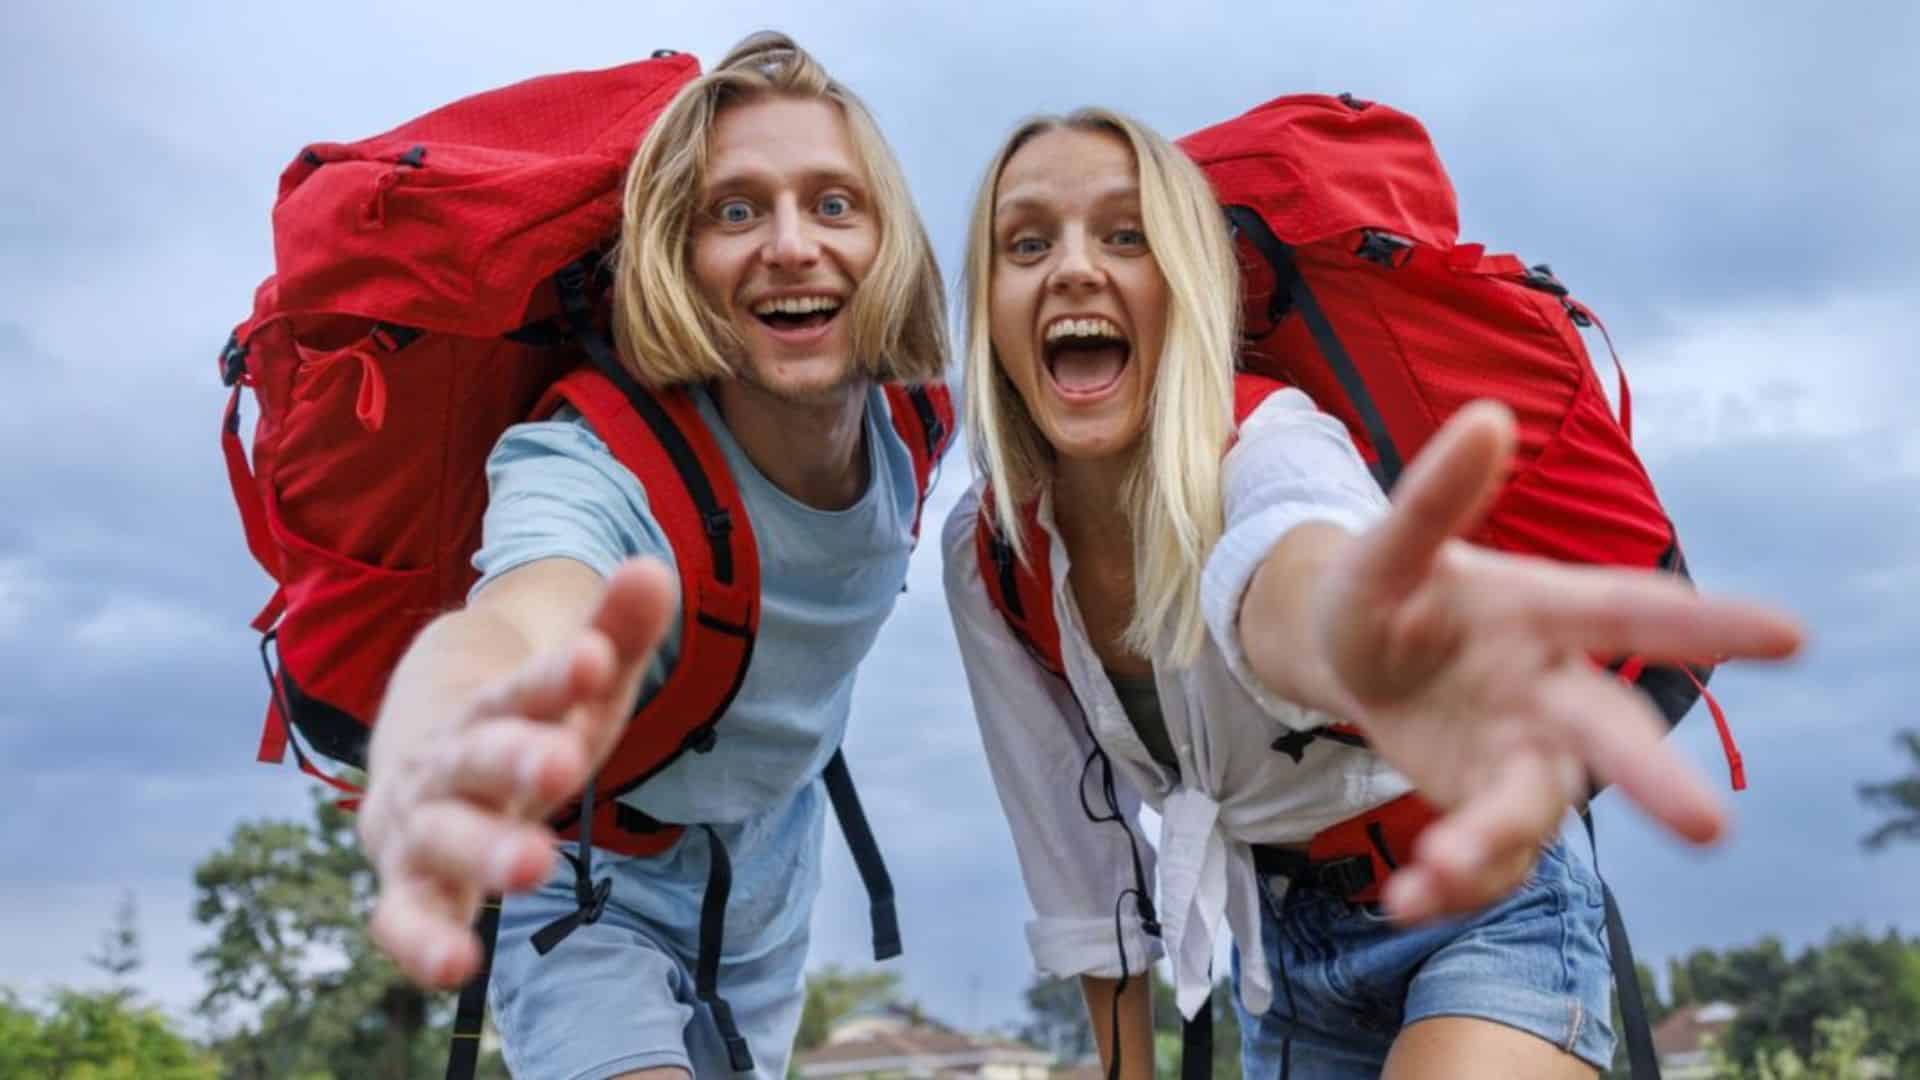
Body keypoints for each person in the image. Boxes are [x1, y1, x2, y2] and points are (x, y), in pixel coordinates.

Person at [942, 107, 1802, 1078]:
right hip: (1286, 956)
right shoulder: (988, 555)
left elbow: (1297, 558)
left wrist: (1348, 633)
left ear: (1185, 285)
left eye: (1125, 234)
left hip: (1488, 902)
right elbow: (1081, 875)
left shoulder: (1271, 440)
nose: (1073, 267)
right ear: (989, 305)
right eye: (1026, 242)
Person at [353, 32, 948, 1080]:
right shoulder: (590, 461)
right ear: (678, 258)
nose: (792, 243)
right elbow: (525, 607)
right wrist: (457, 714)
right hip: (584, 873)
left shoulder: (919, 427)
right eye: (734, 210)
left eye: (835, 203)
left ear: (891, 241)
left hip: (768, 871)